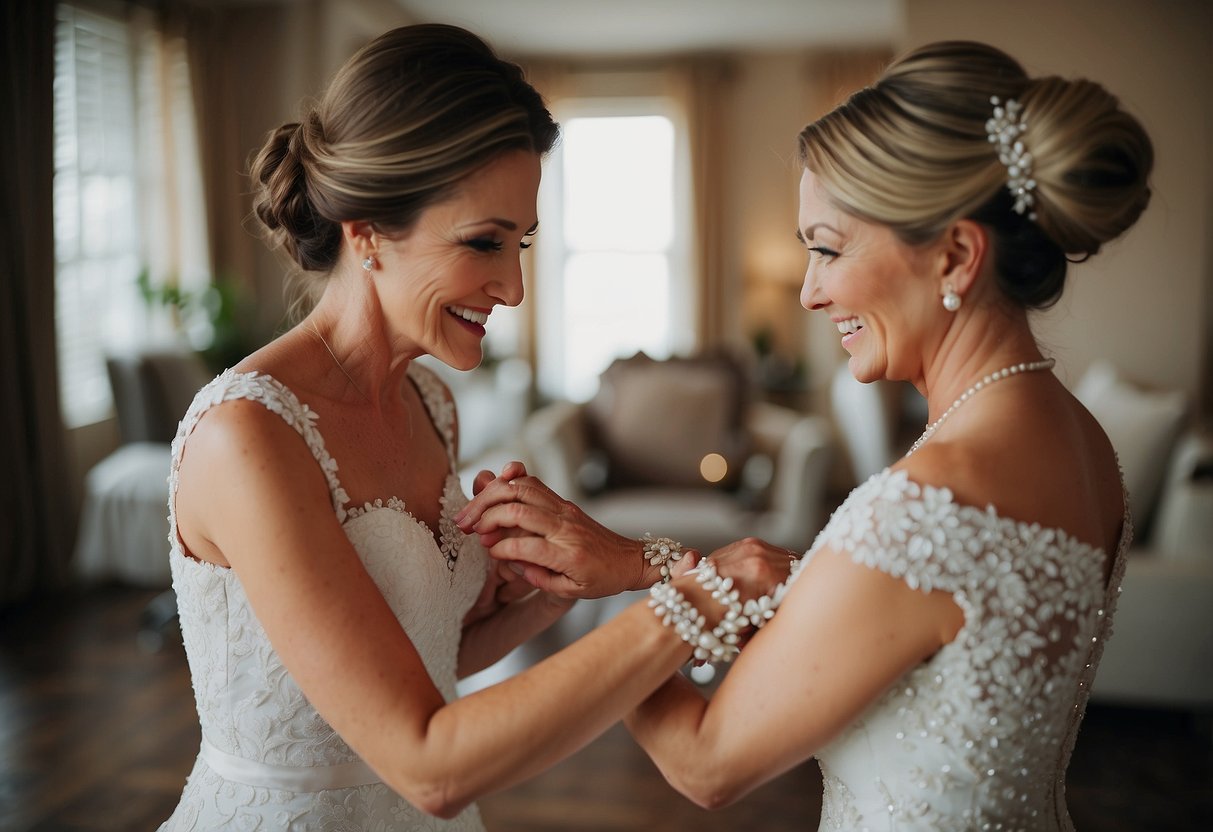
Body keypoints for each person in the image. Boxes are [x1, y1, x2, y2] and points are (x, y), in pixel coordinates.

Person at [458, 40, 1153, 830]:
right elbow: (914, 639)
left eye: (826, 249)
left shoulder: (927, 505)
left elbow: (703, 762)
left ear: (956, 255)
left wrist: (625, 589)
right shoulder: (1077, 439)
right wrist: (662, 562)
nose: (810, 292)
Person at [158, 23, 788, 832]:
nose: (514, 288)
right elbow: (425, 761)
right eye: (484, 242)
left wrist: (543, 593)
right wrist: (692, 597)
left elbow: (423, 667)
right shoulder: (246, 437)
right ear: (368, 232)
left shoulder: (429, 400)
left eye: (520, 242)